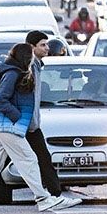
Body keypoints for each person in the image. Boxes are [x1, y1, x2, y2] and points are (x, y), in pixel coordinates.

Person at [0, 43, 77, 213]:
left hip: (8, 126)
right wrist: (17, 116)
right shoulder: (12, 73)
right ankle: (43, 198)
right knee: (29, 159)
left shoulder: (16, 72)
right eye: (31, 55)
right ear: (25, 56)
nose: (33, 58)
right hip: (9, 125)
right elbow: (0, 99)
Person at [21, 31, 69, 202]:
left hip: (29, 124)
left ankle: (54, 195)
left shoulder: (36, 65)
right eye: (43, 45)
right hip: (22, 124)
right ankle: (52, 195)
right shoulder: (27, 67)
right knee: (38, 160)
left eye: (47, 44)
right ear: (32, 47)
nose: (47, 48)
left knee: (41, 159)